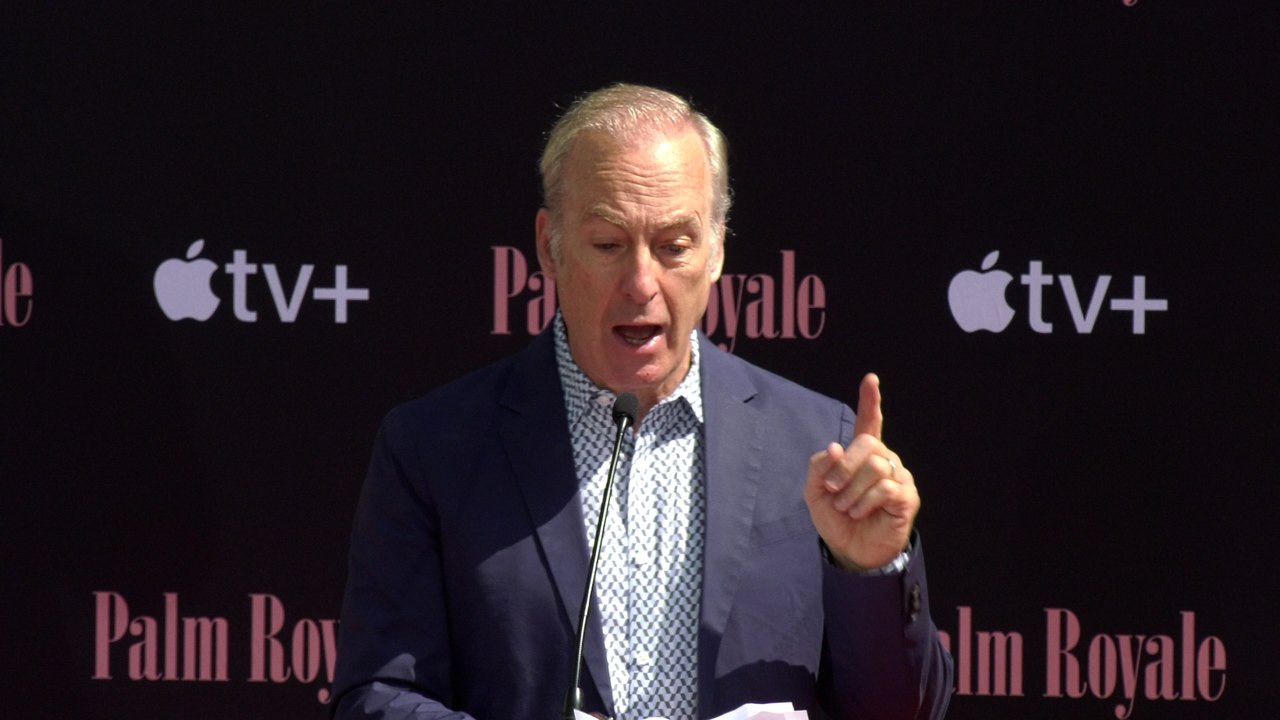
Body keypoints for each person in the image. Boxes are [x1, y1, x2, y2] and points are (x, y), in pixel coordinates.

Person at [331, 83, 953, 720]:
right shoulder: (433, 448)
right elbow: (377, 698)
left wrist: (870, 572)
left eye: (674, 246)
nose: (641, 283)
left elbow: (901, 711)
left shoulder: (820, 442)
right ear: (550, 246)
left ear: (715, 251)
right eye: (608, 245)